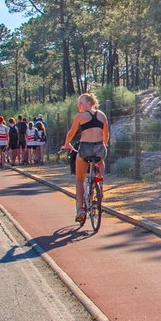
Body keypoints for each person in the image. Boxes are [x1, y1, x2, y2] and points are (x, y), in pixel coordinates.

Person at [60, 93, 110, 224]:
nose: (79, 106)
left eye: (80, 103)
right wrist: (103, 145)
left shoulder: (80, 116)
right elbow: (106, 135)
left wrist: (66, 144)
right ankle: (99, 186)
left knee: (79, 179)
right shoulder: (102, 115)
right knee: (101, 163)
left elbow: (71, 133)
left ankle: (81, 209)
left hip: (85, 149)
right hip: (99, 148)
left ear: (88, 103)